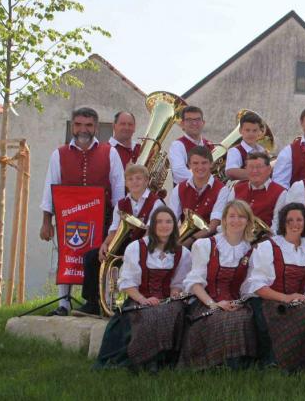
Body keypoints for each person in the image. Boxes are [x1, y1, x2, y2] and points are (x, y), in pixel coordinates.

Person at [39, 107, 125, 316]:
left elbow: (118, 190)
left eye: (88, 125)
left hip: (102, 216)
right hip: (69, 216)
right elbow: (51, 186)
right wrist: (46, 221)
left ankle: (99, 303)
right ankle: (64, 304)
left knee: (99, 258)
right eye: (78, 125)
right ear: (73, 126)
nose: (82, 129)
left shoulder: (110, 152)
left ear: (95, 127)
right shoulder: (58, 154)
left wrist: (118, 223)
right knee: (68, 255)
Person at [95, 207, 192, 370]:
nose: (164, 225)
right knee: (150, 316)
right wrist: (143, 300)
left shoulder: (182, 252)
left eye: (168, 222)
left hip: (167, 301)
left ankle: (164, 360)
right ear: (152, 225)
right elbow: (128, 283)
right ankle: (145, 360)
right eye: (159, 221)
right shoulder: (136, 248)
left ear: (174, 226)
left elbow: (178, 283)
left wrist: (175, 293)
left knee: (175, 312)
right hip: (138, 299)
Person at [246, 203, 305, 371]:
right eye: (290, 220)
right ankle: (285, 361)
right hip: (270, 300)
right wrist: (286, 298)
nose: (295, 224)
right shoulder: (267, 247)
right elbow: (258, 286)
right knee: (304, 313)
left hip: (298, 300)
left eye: (299, 220)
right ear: (283, 223)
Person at [180, 200, 259, 369]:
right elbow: (195, 283)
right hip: (206, 302)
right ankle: (212, 363)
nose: (236, 220)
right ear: (223, 220)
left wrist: (237, 303)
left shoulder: (251, 251)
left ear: (248, 222)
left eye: (241, 216)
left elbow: (248, 287)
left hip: (235, 303)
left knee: (242, 317)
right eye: (231, 216)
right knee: (220, 318)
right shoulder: (205, 245)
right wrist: (214, 304)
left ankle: (236, 365)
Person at [80, 164, 164, 316]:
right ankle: (93, 303)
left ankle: (132, 302)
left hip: (147, 245)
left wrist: (134, 252)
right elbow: (114, 229)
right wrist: (105, 245)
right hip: (125, 242)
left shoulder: (156, 202)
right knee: (91, 257)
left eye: (138, 178)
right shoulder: (121, 203)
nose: (134, 182)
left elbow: (151, 233)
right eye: (130, 179)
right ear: (126, 183)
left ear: (146, 181)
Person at [210, 152, 287, 233]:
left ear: (269, 170)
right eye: (251, 167)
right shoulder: (237, 187)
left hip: (261, 242)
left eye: (259, 167)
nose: (254, 171)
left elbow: (276, 228)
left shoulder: (280, 193)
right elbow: (226, 219)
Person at [166, 146, 224, 247]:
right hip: (182, 240)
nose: (200, 167)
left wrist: (191, 239)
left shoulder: (222, 190)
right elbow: (171, 219)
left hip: (209, 244)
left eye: (204, 163)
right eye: (195, 163)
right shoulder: (179, 188)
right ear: (189, 165)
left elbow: (214, 225)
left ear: (211, 164)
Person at [167, 106, 213, 186]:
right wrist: (208, 180)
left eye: (198, 119)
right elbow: (179, 173)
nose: (194, 123)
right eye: (189, 120)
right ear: (182, 124)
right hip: (186, 195)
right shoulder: (177, 145)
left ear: (203, 123)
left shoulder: (210, 145)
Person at [223, 111, 268, 181]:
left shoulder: (262, 150)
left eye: (255, 130)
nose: (251, 134)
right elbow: (230, 172)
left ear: (259, 131)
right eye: (247, 130)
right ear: (240, 131)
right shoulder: (235, 151)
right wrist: (259, 174)